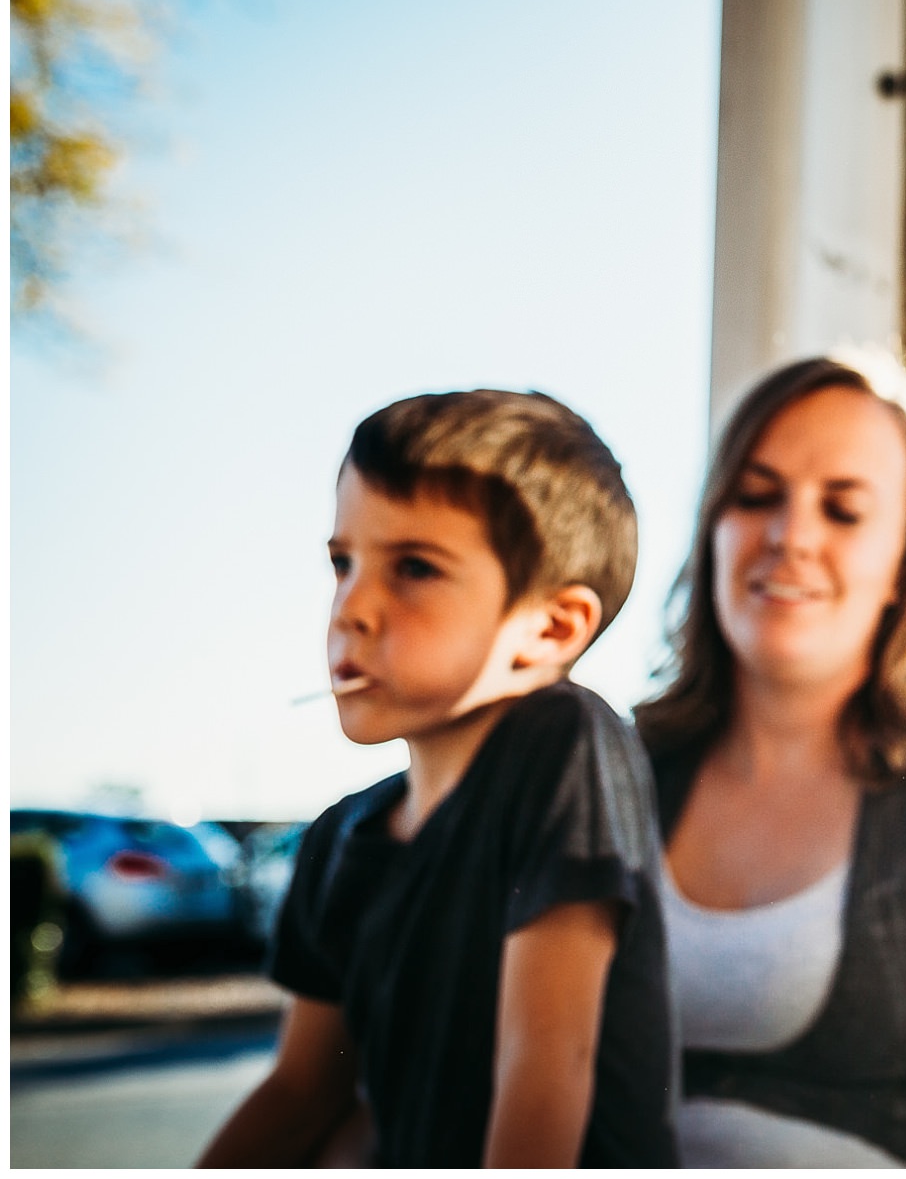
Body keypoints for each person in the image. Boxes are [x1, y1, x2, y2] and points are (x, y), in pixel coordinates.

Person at [200, 390, 678, 1167]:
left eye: (415, 567)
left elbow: (546, 1065)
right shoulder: (337, 839)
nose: (351, 606)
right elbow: (300, 1093)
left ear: (550, 628)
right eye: (342, 561)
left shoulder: (565, 744)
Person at [632, 351, 906, 1167]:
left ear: (903, 563)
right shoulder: (607, 772)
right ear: (712, 525)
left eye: (842, 510)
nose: (791, 536)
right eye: (757, 495)